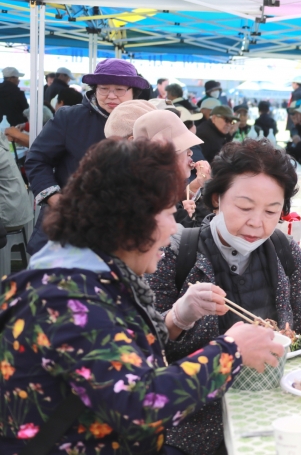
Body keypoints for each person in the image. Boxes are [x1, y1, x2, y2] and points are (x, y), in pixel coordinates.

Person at [0, 139, 282, 454]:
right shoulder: (65, 299)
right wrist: (232, 351)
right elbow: (139, 405)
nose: (174, 227)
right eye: (167, 212)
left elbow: (116, 358)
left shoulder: (94, 276)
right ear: (129, 218)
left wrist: (180, 315)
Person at [149, 139, 301, 454]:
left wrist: (292, 339)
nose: (257, 223)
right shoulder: (176, 253)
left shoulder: (286, 253)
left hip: (274, 413)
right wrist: (180, 316)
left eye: (272, 211)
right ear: (216, 198)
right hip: (193, 423)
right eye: (244, 207)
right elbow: (146, 352)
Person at [25, 58, 151, 254]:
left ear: (133, 91)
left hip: (120, 229)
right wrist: (56, 199)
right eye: (103, 88)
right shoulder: (70, 117)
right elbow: (37, 159)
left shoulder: (146, 123)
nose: (111, 95)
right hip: (66, 225)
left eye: (119, 89)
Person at [133, 109, 210, 229]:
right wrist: (207, 188)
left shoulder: (157, 186)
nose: (190, 153)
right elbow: (200, 232)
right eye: (184, 148)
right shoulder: (154, 194)